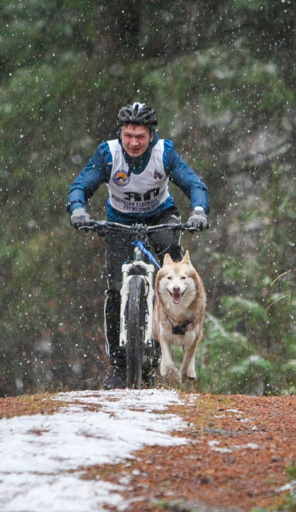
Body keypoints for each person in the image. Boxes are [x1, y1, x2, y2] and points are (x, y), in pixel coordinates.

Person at [66, 102, 210, 389]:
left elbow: (194, 184)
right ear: (120, 133)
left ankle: (159, 351)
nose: (133, 142)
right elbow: (80, 185)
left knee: (168, 281)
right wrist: (78, 209)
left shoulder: (164, 153)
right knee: (115, 291)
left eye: (139, 136)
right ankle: (119, 366)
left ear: (151, 135)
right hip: (119, 220)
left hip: (161, 218)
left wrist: (198, 211)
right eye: (127, 135)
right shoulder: (108, 154)